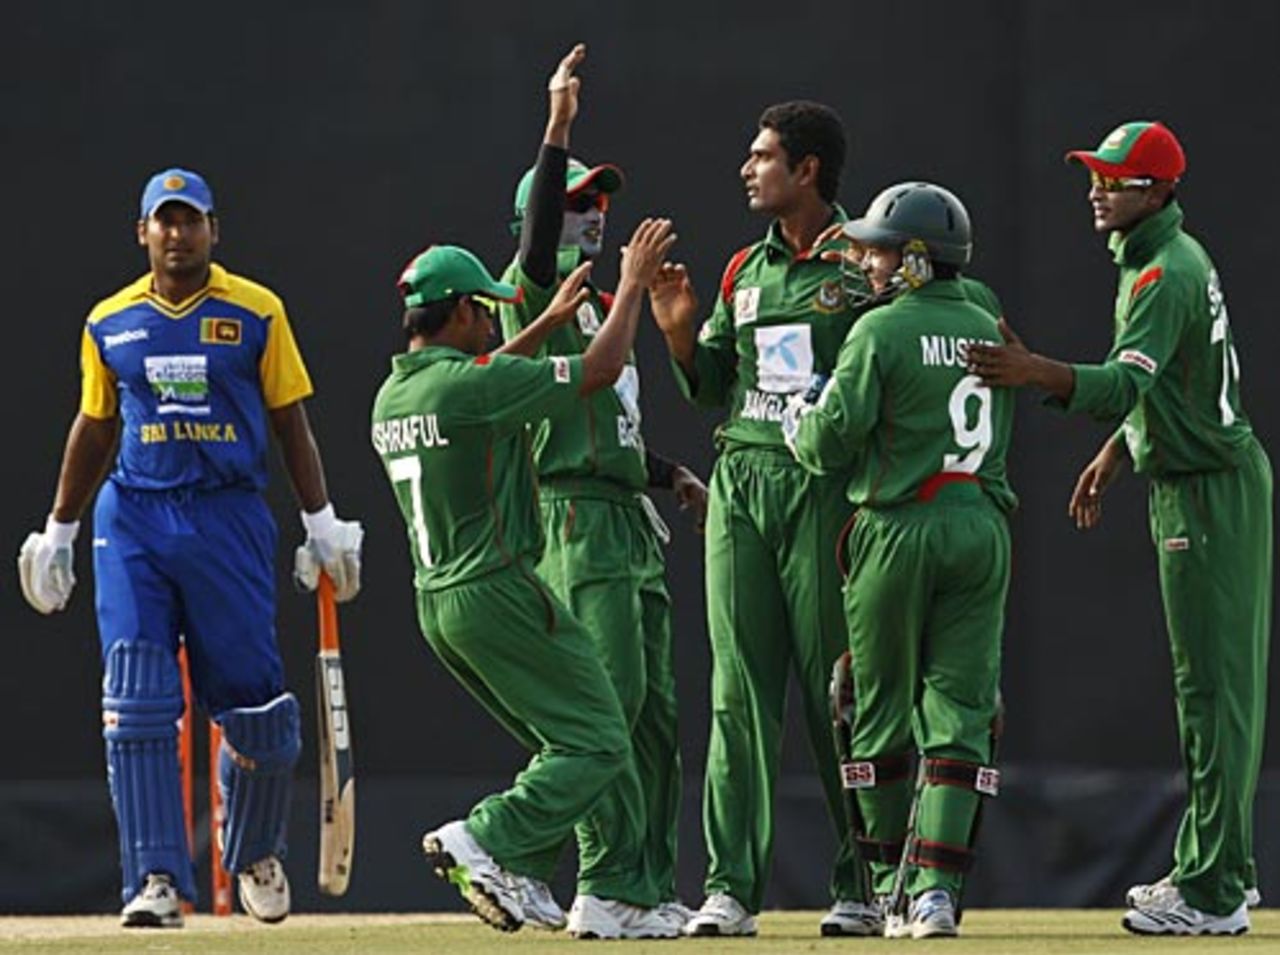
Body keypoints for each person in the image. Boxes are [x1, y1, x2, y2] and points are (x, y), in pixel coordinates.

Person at [16, 168, 363, 928]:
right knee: (137, 699)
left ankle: (255, 851)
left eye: (191, 220)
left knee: (259, 713)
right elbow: (96, 425)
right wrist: (61, 528)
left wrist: (322, 521)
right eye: (164, 221)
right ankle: (155, 880)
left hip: (228, 515)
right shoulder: (109, 322)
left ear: (214, 229)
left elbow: (290, 422)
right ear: (142, 232)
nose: (178, 234)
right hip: (136, 516)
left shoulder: (256, 312)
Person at [967, 120, 1271, 937]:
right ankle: (1224, 870)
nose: (1099, 189)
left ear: (1162, 190)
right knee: (1210, 691)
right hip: (1195, 478)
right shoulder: (1154, 257)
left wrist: (1035, 373)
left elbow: (1118, 382)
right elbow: (1165, 388)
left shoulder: (1164, 272)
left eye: (1119, 178)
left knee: (1214, 694)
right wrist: (1116, 452)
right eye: (1097, 175)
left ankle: (1211, 893)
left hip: (1210, 492)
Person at [371, 224, 689, 940]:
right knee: (603, 739)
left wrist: (542, 322)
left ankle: (527, 872)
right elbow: (599, 368)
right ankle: (484, 838)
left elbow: (482, 385)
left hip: (439, 605)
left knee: (562, 742)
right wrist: (631, 284)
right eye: (483, 309)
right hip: (502, 588)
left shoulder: (394, 397)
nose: (491, 320)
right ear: (457, 313)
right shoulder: (470, 388)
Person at [647, 100, 880, 938]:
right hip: (742, 480)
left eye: (763, 156)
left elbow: (884, 384)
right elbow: (715, 382)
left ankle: (863, 881)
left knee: (834, 693)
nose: (747, 169)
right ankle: (730, 889)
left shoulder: (864, 265)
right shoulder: (744, 268)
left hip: (823, 486)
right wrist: (678, 338)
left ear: (808, 169)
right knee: (738, 692)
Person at [498, 43, 707, 934]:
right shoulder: (533, 291)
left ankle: (645, 880)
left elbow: (607, 428)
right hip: (575, 522)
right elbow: (539, 235)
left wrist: (669, 474)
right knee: (607, 705)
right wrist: (558, 128)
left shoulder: (600, 311)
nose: (597, 213)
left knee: (657, 710)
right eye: (582, 203)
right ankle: (601, 881)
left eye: (602, 201)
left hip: (628, 517)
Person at [785, 182, 1016, 938]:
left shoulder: (880, 331)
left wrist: (801, 422)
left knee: (874, 706)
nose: (868, 262)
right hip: (979, 523)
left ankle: (889, 882)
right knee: (961, 713)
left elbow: (827, 444)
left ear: (917, 260)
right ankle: (937, 895)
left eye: (881, 250)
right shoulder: (987, 322)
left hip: (898, 525)